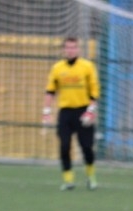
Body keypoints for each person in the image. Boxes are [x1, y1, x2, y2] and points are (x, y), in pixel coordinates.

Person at [42, 37, 100, 191]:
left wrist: (90, 111)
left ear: (78, 49)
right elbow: (50, 91)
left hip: (83, 111)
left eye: (73, 47)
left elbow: (94, 92)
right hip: (66, 113)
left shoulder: (87, 66)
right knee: (64, 146)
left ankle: (91, 176)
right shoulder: (57, 68)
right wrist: (46, 112)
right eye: (68, 47)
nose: (70, 50)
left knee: (87, 147)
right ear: (63, 50)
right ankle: (68, 180)